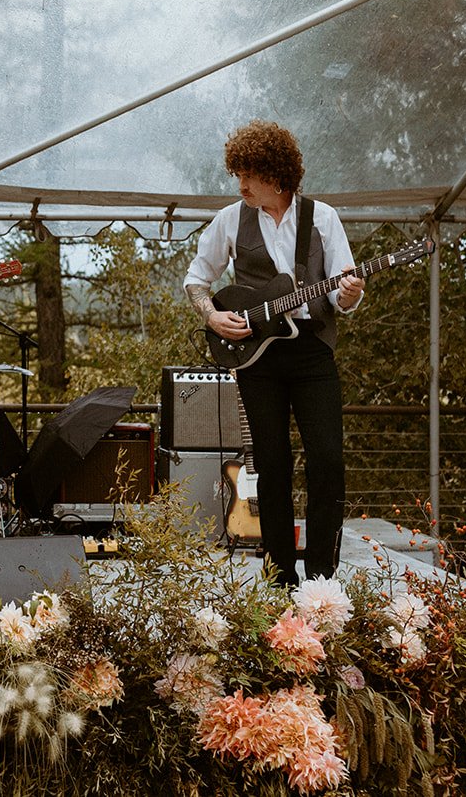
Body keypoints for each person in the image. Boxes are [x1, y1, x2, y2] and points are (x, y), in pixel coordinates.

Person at [183, 120, 365, 587]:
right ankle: (280, 576)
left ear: (277, 175)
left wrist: (348, 295)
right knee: (271, 463)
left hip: (312, 352)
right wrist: (212, 316)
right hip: (257, 358)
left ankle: (322, 577)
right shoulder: (230, 219)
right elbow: (197, 279)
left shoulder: (322, 218)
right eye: (238, 174)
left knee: (328, 461)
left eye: (250, 175)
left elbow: (343, 292)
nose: (241, 185)